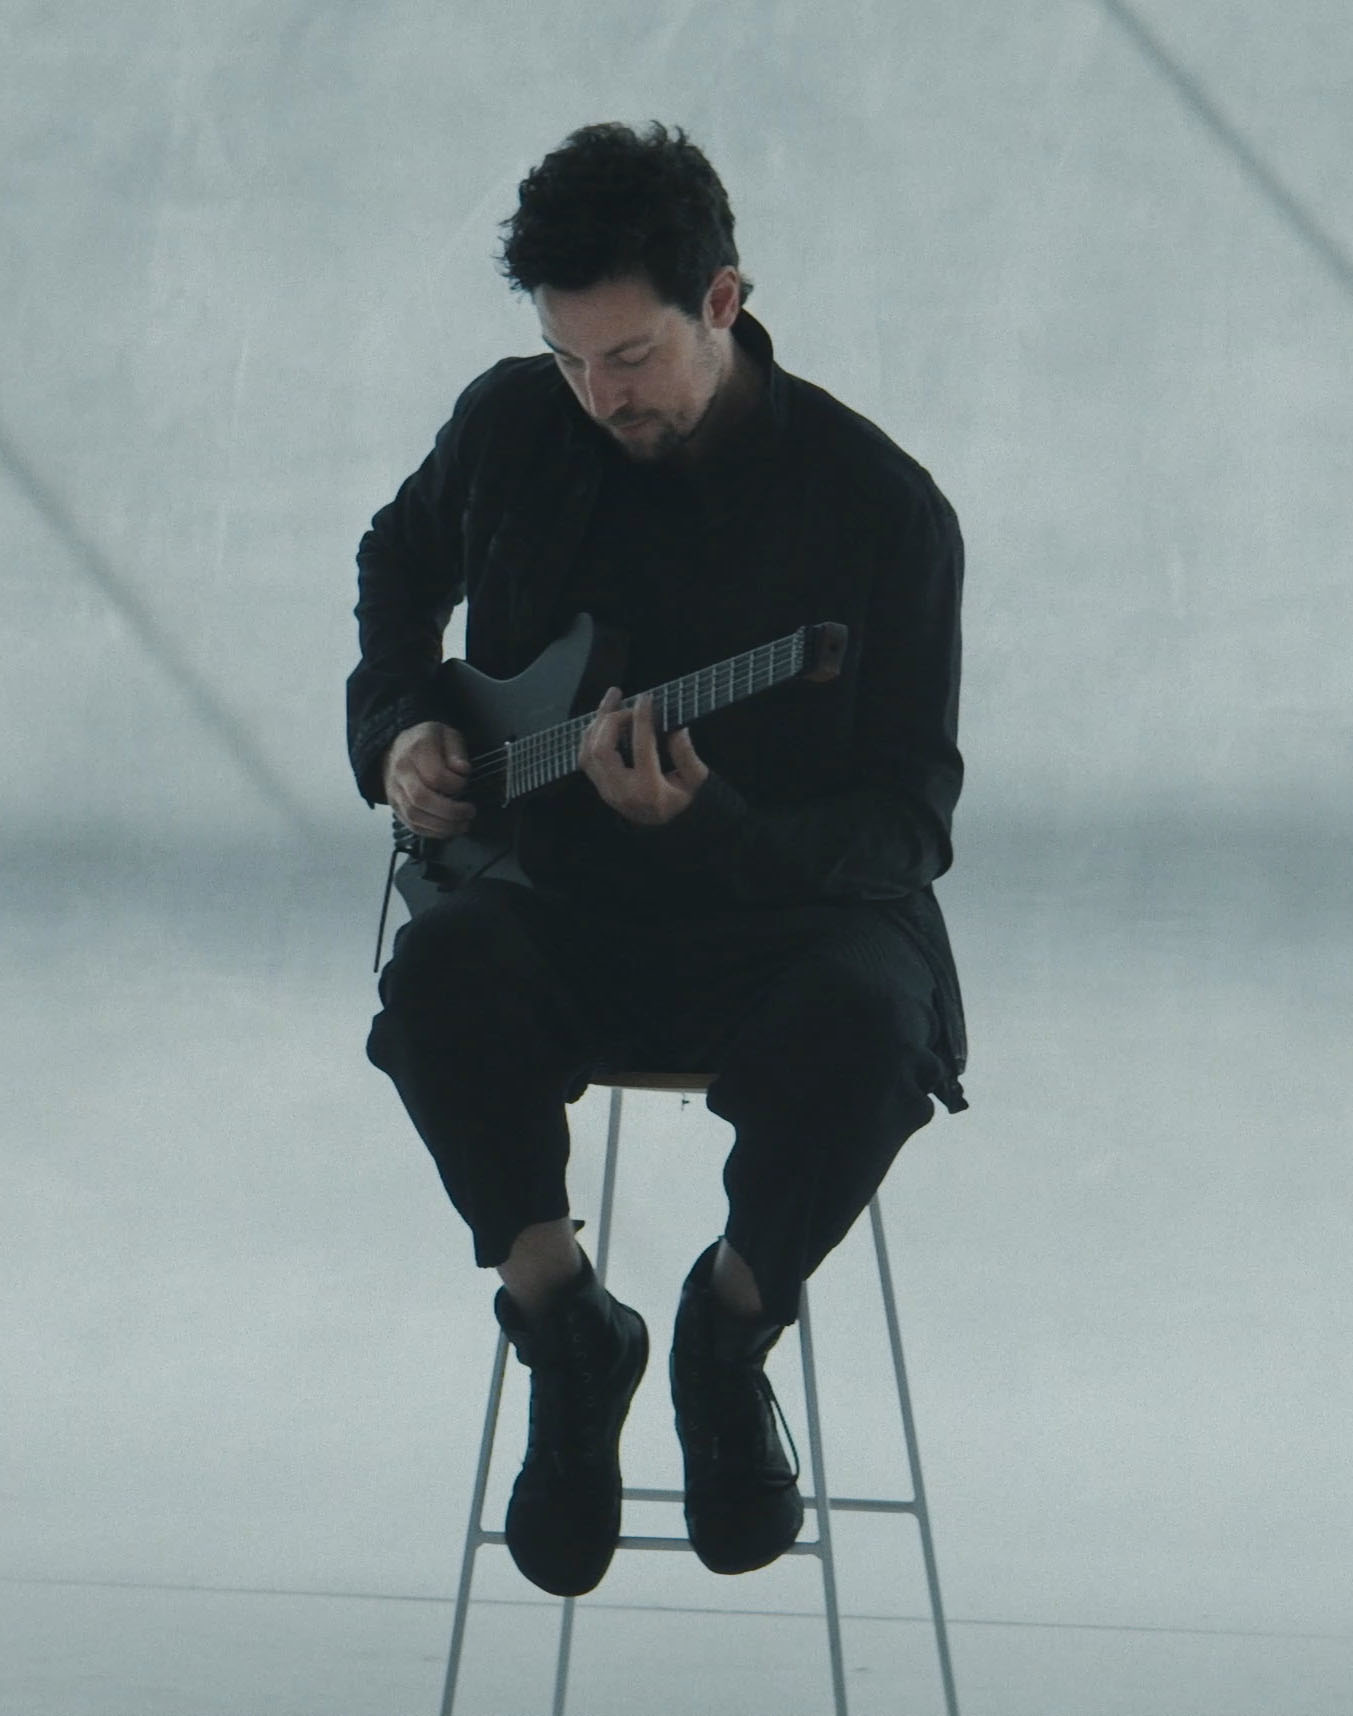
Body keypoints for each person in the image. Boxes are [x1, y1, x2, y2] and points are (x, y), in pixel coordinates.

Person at [347, 121, 969, 1600]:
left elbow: (909, 826)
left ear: (723, 301)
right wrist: (399, 726)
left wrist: (716, 829)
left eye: (628, 357)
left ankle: (724, 1333)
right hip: (557, 902)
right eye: (567, 358)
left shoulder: (882, 510)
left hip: (787, 916)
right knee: (435, 983)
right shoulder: (514, 424)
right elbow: (396, 563)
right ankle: (570, 1333)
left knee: (876, 1033)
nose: (597, 395)